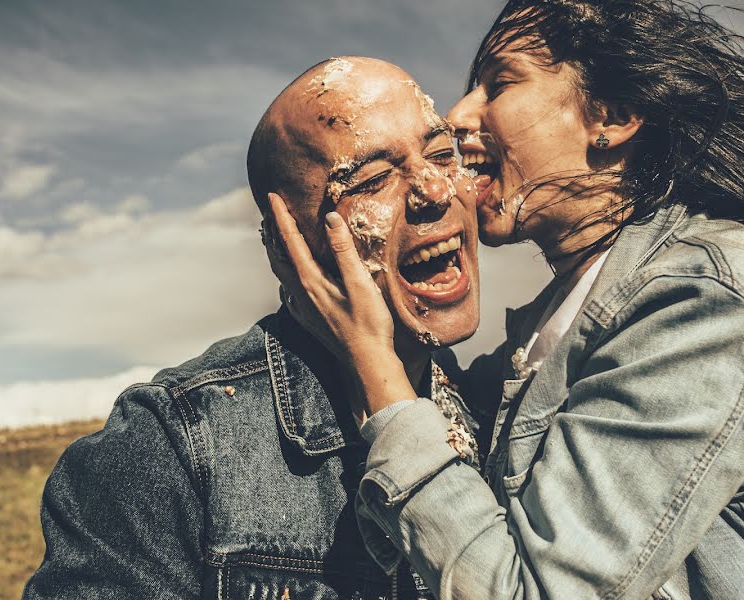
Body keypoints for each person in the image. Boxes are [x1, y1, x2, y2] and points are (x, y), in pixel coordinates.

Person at [268, 1, 744, 598]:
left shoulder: (701, 299)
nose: (459, 114)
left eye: (500, 82)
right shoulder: (557, 326)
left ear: (614, 116)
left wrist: (375, 363)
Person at [24, 56, 485, 599]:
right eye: (373, 179)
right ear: (284, 248)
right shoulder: (171, 445)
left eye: (440, 153)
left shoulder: (503, 408)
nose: (435, 190)